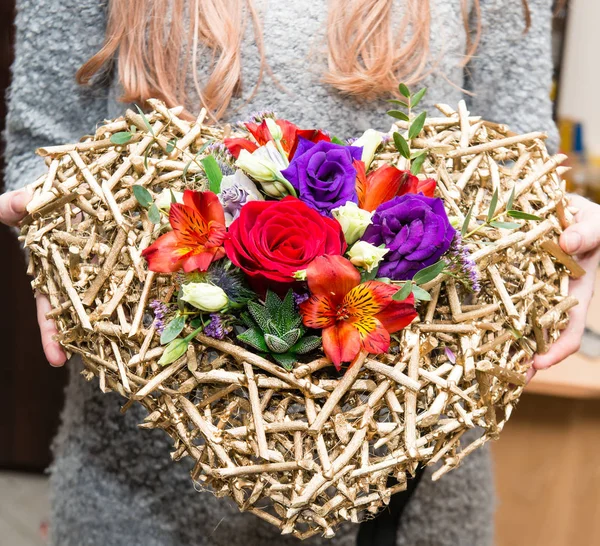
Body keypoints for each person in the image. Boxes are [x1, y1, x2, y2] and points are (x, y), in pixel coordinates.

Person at [2, 0, 599, 545]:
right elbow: (45, 142)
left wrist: (562, 230)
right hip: (142, 481)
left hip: (407, 474)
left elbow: (518, 157)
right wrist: (52, 222)